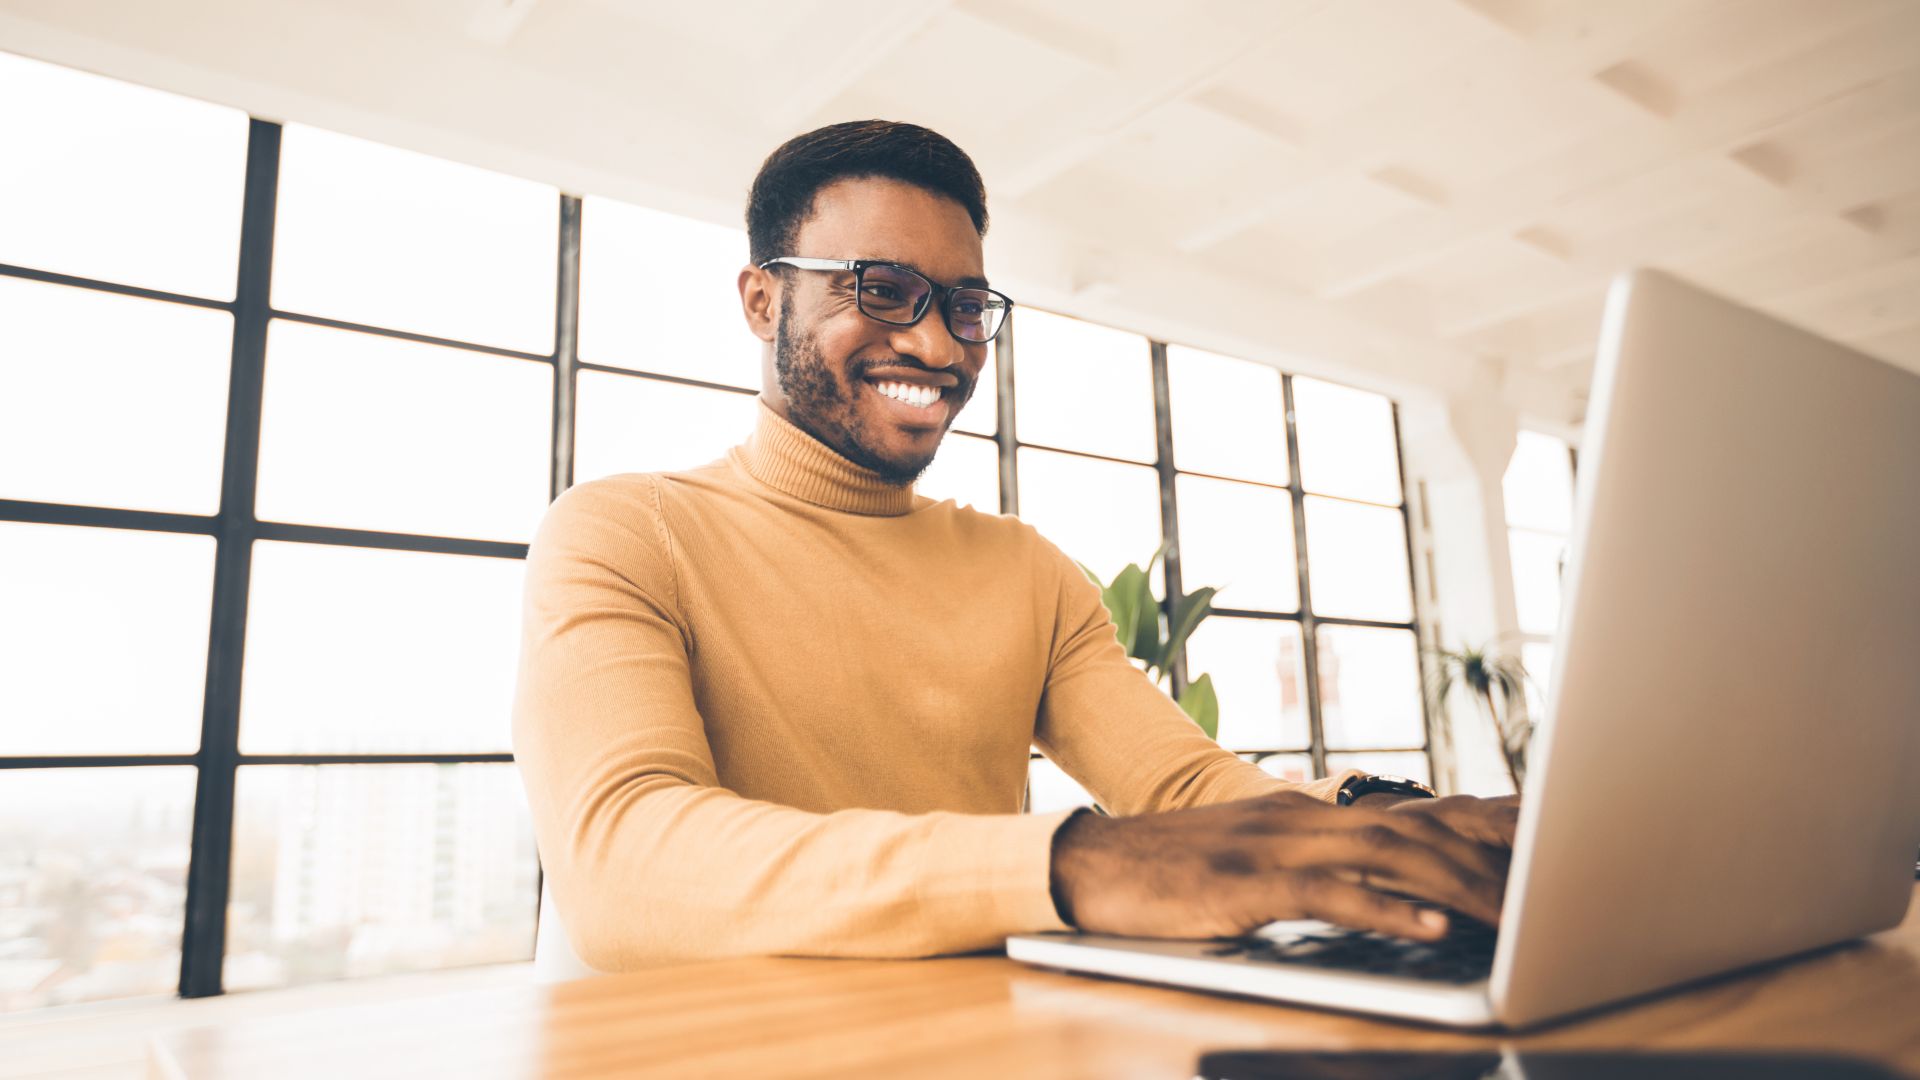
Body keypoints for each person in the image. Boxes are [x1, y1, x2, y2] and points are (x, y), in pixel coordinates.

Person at [511, 120, 1518, 971]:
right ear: (763, 300)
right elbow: (620, 854)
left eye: (964, 305)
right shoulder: (624, 531)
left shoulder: (1022, 572)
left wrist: (1392, 819)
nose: (942, 346)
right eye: (882, 287)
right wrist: (1073, 865)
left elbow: (1184, 789)